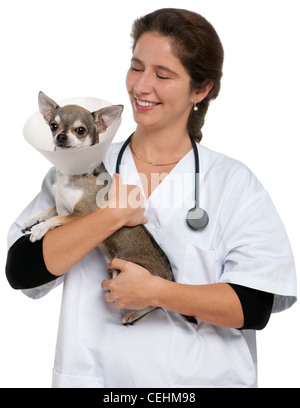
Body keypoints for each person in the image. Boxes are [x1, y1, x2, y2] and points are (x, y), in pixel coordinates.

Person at [6, 8, 296, 388]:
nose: (142, 87)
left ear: (201, 89)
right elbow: (22, 268)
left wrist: (156, 291)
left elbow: (254, 307)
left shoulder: (233, 183)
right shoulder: (81, 164)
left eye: (163, 75)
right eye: (136, 67)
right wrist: (109, 216)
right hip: (98, 379)